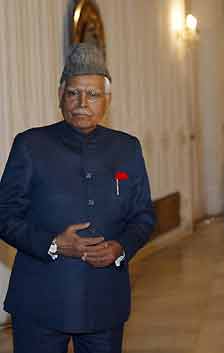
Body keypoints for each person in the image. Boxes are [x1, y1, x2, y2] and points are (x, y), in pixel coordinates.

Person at [0, 43, 155, 353]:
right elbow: (4, 215)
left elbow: (143, 217)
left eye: (93, 94)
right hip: (40, 301)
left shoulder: (127, 148)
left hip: (105, 300)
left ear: (107, 100)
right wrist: (54, 244)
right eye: (73, 93)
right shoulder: (30, 145)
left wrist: (120, 247)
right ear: (61, 95)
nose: (82, 103)